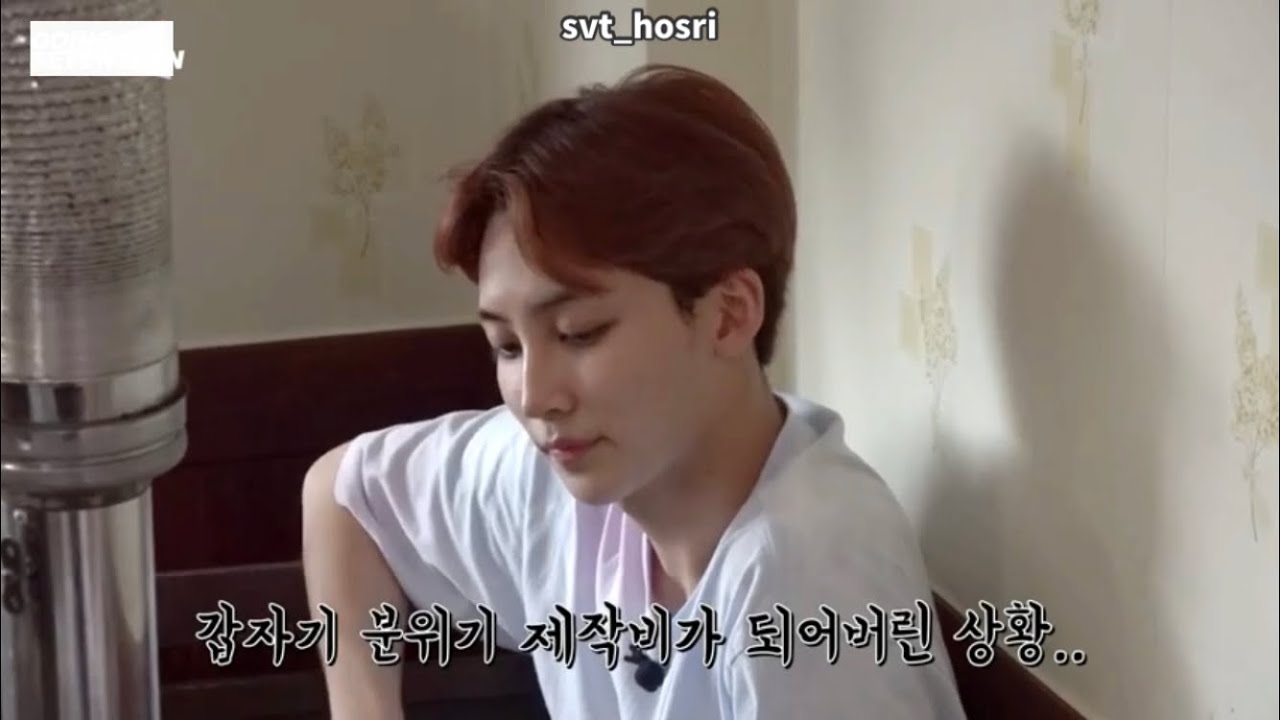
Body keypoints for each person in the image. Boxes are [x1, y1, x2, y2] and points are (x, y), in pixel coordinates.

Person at [301, 63, 967, 720]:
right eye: (507, 345)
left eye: (579, 333)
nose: (533, 396)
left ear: (728, 314)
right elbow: (343, 494)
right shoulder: (569, 480)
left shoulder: (806, 579)